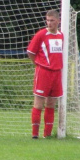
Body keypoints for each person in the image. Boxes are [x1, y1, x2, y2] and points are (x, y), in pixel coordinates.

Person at [27, 9, 63, 139]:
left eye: (52, 20)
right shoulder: (41, 34)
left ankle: (47, 134)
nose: (49, 23)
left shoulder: (61, 35)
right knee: (38, 104)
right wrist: (38, 64)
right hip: (43, 72)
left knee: (51, 104)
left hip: (57, 73)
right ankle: (35, 134)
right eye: (47, 20)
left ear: (58, 21)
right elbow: (30, 52)